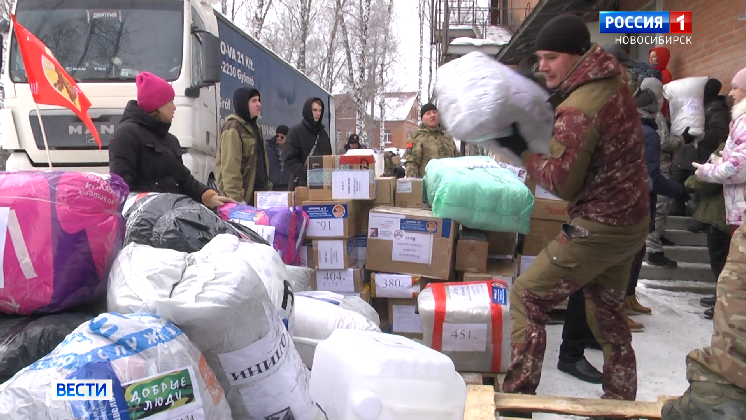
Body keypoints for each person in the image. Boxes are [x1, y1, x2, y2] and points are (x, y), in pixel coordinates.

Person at [494, 15, 649, 416]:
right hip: (631, 223)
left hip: (599, 225)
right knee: (608, 315)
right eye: (538, 58)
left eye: (550, 57)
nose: (541, 65)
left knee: (526, 296)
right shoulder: (612, 83)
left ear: (578, 56)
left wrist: (523, 149)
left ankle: (517, 402)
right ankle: (619, 403)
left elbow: (560, 182)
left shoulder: (580, 107)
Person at [661, 66, 746, 420]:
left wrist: (705, 170)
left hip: (738, 209)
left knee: (733, 291)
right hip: (735, 210)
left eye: (738, 89)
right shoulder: (731, 118)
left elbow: (737, 167)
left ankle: (715, 400)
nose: (733, 94)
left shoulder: (739, 119)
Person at [109, 72, 233, 209]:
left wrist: (208, 196)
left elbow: (184, 180)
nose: (174, 107)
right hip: (143, 219)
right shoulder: (126, 135)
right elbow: (121, 187)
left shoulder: (169, 139)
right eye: (170, 101)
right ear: (158, 104)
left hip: (171, 215)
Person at [626, 78, 689, 328]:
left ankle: (628, 297)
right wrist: (678, 190)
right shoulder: (649, 132)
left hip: (628, 197)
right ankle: (621, 302)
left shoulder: (632, 125)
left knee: (636, 251)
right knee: (631, 254)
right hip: (638, 200)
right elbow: (651, 177)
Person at [685, 141, 729, 320]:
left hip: (721, 213)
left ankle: (724, 302)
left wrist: (692, 181)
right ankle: (722, 296)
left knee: (721, 262)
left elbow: (716, 172)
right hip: (723, 211)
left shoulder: (735, 143)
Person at [687, 79, 731, 234]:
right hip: (701, 150)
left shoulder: (716, 109)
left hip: (710, 151)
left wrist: (701, 135)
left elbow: (719, 131)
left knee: (704, 186)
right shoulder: (705, 106)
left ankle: (700, 219)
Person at [215, 87, 271, 204]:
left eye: (259, 100)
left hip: (260, 197)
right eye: (254, 101)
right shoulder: (233, 127)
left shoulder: (256, 128)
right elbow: (230, 167)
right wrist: (236, 199)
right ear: (243, 103)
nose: (259, 104)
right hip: (243, 200)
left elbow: (261, 165)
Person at [284, 97, 333, 188]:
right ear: (307, 110)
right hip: (301, 185)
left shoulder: (323, 134)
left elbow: (328, 157)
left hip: (322, 184)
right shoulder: (295, 132)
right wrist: (307, 174)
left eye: (320, 110)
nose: (318, 113)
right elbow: (290, 159)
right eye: (314, 110)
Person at [402, 103, 459, 178]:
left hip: (449, 182)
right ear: (422, 119)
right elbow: (411, 163)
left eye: (435, 112)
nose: (432, 115)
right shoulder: (417, 138)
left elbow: (457, 160)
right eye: (428, 113)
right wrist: (413, 184)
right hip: (429, 184)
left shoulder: (447, 137)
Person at [266, 125, 291, 192]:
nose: (279, 138)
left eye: (282, 137)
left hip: (287, 186)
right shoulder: (269, 147)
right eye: (277, 136)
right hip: (272, 186)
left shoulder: (292, 149)